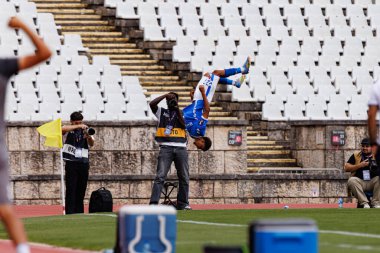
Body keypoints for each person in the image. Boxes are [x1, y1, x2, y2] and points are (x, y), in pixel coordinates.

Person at [0, 17, 51, 253]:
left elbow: (44, 52)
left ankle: (22, 249)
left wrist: (24, 26)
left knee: (4, 209)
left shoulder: (3, 66)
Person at [182, 56, 251, 151]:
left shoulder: (192, 134)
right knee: (215, 73)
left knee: (209, 75)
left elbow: (194, 114)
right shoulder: (199, 131)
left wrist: (192, 99)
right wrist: (202, 93)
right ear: (202, 141)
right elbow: (207, 110)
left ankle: (236, 83)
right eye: (200, 146)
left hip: (197, 100)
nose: (197, 147)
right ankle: (242, 70)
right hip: (202, 98)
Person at [149, 92, 191, 210]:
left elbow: (184, 125)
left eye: (173, 100)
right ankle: (153, 203)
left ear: (177, 101)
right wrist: (164, 96)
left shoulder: (183, 113)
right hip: (166, 147)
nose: (171, 102)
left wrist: (177, 109)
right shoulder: (162, 112)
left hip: (181, 147)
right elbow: (151, 104)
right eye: (169, 100)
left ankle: (183, 203)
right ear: (166, 102)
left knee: (184, 176)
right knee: (160, 176)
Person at [62, 112, 95, 214]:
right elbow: (62, 129)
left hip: (83, 162)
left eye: (80, 122)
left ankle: (79, 212)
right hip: (71, 162)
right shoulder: (69, 129)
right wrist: (78, 126)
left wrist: (88, 137)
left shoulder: (85, 130)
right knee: (71, 188)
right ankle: (70, 212)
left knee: (81, 189)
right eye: (76, 122)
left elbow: (92, 144)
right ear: (72, 122)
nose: (79, 124)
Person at [344, 138, 380, 208]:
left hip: (373, 182)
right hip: (360, 182)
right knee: (351, 180)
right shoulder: (356, 155)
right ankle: (364, 203)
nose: (364, 148)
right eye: (363, 146)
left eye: (367, 146)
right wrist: (360, 165)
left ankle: (376, 203)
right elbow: (346, 168)